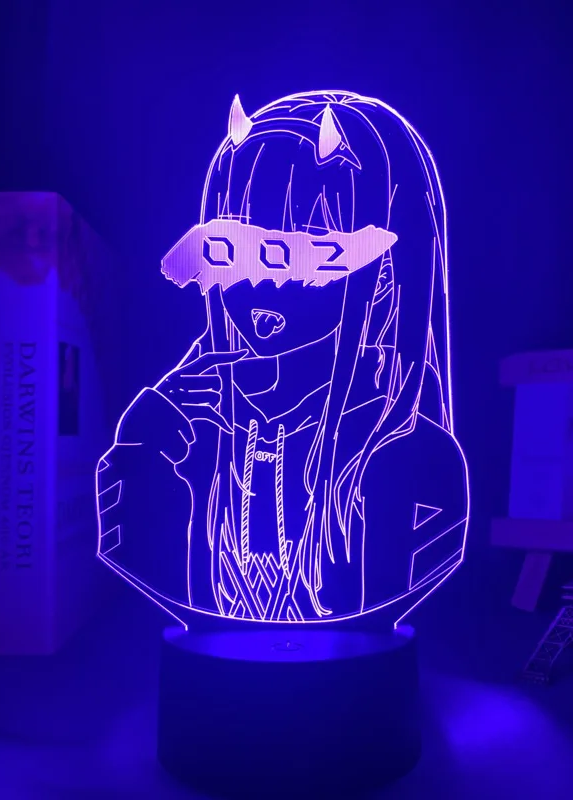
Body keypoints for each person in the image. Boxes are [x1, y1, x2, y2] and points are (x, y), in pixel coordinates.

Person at [96, 91, 468, 627]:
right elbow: (144, 575)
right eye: (231, 250)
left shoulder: (407, 450)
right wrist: (139, 455)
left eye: (311, 256)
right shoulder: (199, 421)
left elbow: (386, 608)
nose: (260, 286)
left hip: (351, 676)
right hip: (212, 671)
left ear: (386, 273)